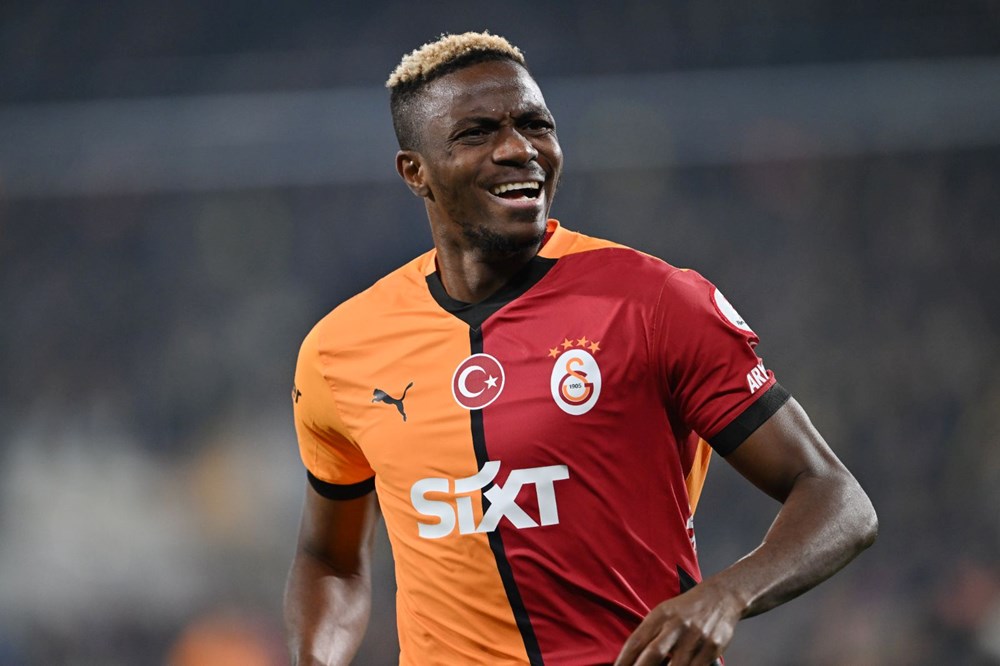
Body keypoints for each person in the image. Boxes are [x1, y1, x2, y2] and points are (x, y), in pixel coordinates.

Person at [283, 31, 877, 666]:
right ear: (415, 172)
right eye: (476, 133)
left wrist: (727, 595)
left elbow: (836, 497)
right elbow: (329, 559)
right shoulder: (340, 351)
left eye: (535, 125)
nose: (518, 149)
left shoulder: (656, 302)